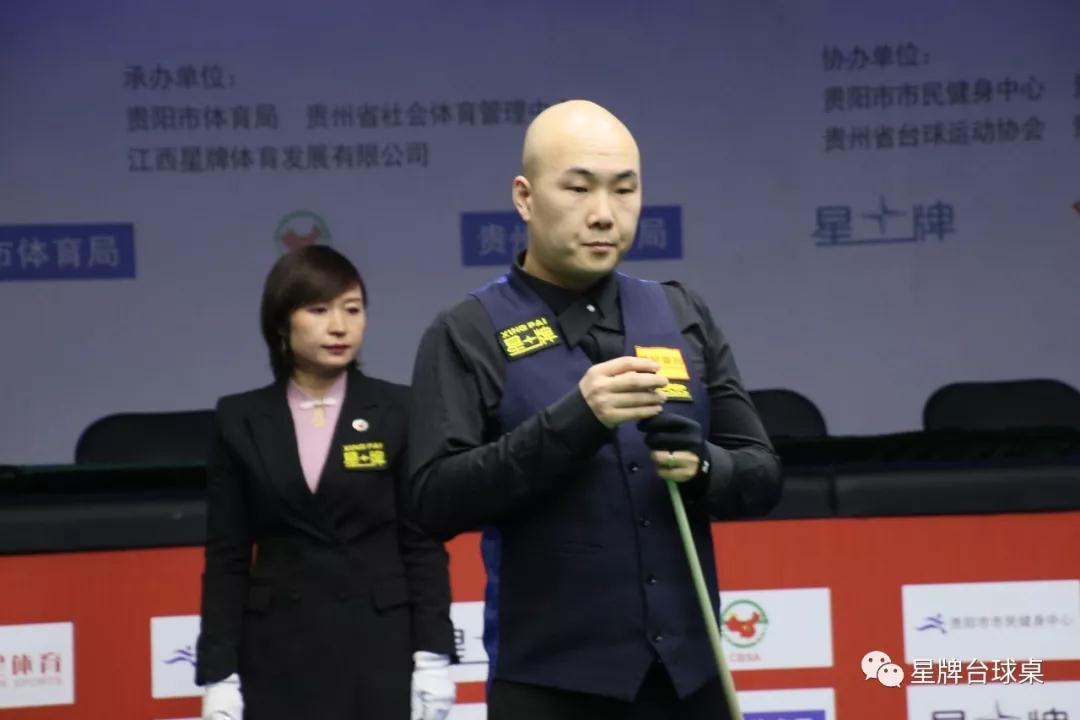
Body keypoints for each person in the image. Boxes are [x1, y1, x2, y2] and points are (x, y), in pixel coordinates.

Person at [408, 100, 782, 719]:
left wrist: (703, 466)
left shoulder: (680, 312)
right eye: (578, 188)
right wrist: (576, 420)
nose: (604, 213)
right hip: (549, 686)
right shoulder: (467, 331)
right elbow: (432, 501)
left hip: (690, 681)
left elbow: (762, 473)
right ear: (525, 198)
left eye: (624, 190)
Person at [196, 245, 456, 720]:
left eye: (352, 309)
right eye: (319, 310)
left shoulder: (399, 411)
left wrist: (434, 657)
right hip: (277, 651)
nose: (340, 326)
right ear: (282, 323)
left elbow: (422, 543)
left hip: (381, 647)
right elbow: (226, 558)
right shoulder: (240, 419)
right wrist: (219, 675)